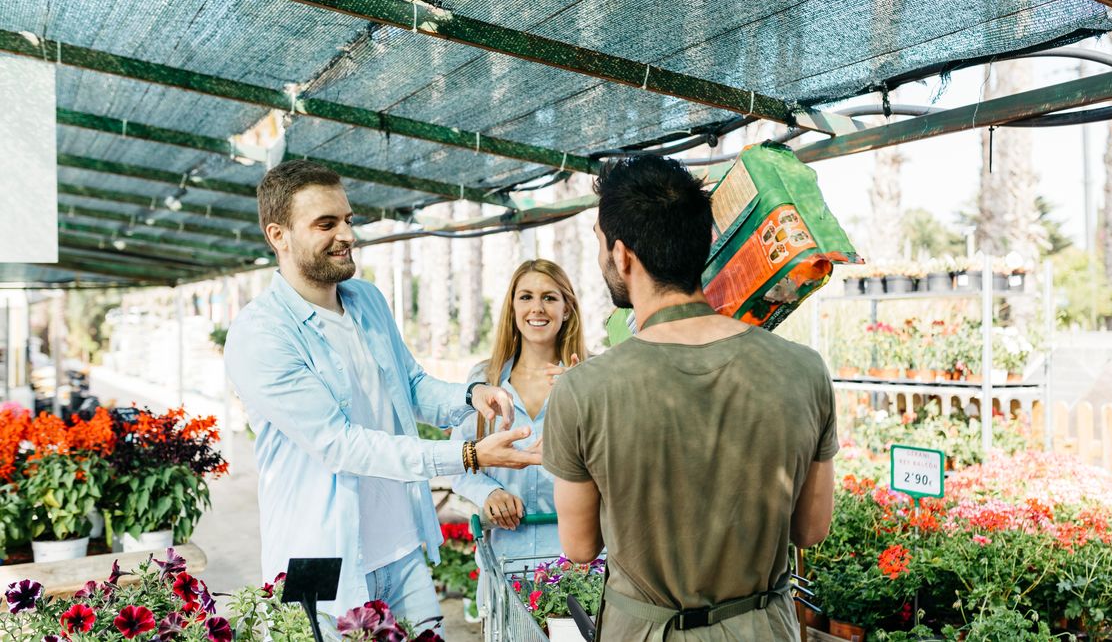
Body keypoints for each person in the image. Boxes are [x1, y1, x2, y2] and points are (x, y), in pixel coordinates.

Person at [224, 160, 541, 631]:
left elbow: (409, 384)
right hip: (316, 557)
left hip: (398, 545)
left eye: (348, 219)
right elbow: (341, 444)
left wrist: (472, 394)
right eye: (325, 223)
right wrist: (468, 455)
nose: (347, 234)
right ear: (278, 236)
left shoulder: (366, 300)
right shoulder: (260, 334)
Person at [542, 155, 838, 641]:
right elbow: (810, 529)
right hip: (764, 628)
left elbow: (579, 545)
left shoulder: (584, 389)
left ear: (622, 255)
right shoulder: (804, 370)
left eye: (598, 242)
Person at [450, 259, 587, 606]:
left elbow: (618, 463)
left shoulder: (591, 377)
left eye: (549, 298)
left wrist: (586, 400)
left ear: (567, 308)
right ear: (512, 308)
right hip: (505, 564)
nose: (537, 308)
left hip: (577, 564)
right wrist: (489, 494)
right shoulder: (485, 378)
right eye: (526, 297)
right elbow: (459, 460)